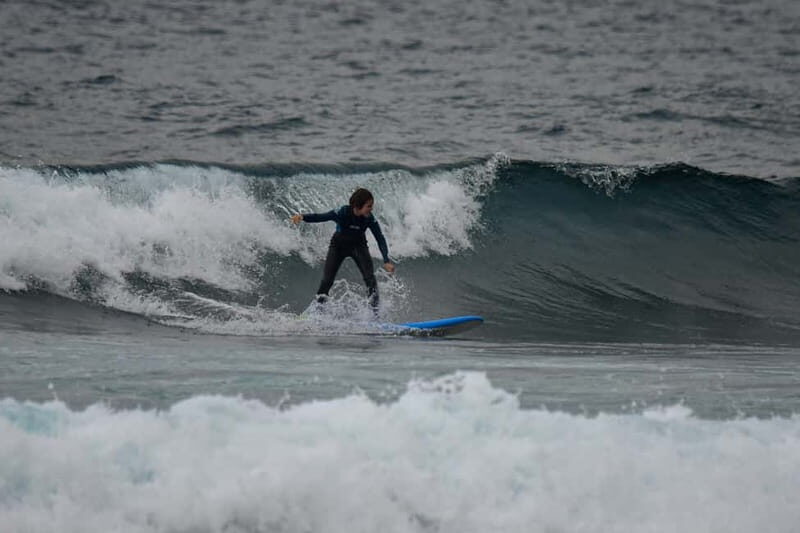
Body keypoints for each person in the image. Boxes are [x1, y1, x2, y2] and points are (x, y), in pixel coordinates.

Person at [291, 188, 395, 311]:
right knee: (327, 281)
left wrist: (386, 260)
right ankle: (316, 311)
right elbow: (321, 217)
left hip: (359, 246)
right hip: (338, 247)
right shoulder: (342, 212)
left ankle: (375, 314)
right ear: (358, 206)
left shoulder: (369, 218)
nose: (371, 209)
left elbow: (380, 238)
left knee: (370, 280)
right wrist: (303, 217)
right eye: (369, 206)